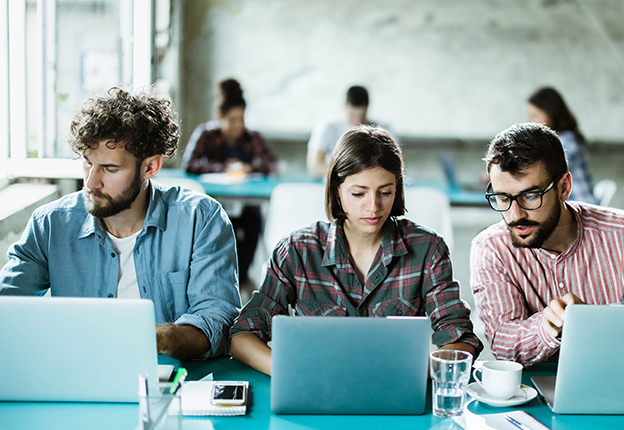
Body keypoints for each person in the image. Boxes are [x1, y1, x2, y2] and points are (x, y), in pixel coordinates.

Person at [0, 86, 241, 361]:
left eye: (110, 169)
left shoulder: (200, 219)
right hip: (75, 375)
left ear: (150, 167)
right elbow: (6, 308)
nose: (90, 183)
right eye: (87, 164)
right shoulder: (51, 224)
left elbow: (218, 322)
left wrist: (157, 337)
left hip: (172, 383)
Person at [231, 126, 481, 375]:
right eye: (359, 193)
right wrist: (292, 371)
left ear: (398, 190)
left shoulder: (428, 250)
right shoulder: (297, 251)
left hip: (397, 394)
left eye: (385, 192)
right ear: (337, 191)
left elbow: (461, 340)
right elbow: (242, 335)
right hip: (316, 390)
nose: (373, 206)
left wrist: (413, 372)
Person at [470, 122, 624, 366]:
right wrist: (547, 326)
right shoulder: (491, 249)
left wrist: (602, 326)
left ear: (564, 187)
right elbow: (504, 347)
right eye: (502, 198)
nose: (514, 214)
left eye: (530, 195)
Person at [182, 78, 279, 288]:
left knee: (254, 219)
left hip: (245, 207)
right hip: (213, 204)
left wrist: (249, 168)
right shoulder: (206, 134)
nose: (238, 125)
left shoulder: (250, 138)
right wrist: (223, 167)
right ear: (220, 117)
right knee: (221, 224)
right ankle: (217, 279)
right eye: (233, 119)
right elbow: (188, 165)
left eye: (241, 119)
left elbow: (272, 164)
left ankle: (240, 280)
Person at [527, 87, 597, 204]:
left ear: (551, 113)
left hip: (580, 209)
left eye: (535, 116)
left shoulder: (567, 141)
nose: (531, 122)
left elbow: (542, 173)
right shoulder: (556, 141)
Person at [306, 85, 395, 177]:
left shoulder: (383, 130)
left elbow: (394, 166)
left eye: (361, 117)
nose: (357, 122)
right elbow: (315, 166)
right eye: (352, 116)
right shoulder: (328, 127)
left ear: (367, 108)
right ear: (345, 107)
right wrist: (350, 173)